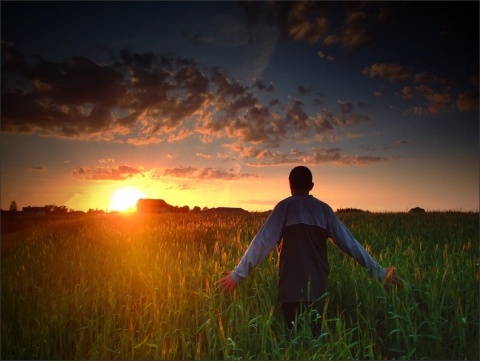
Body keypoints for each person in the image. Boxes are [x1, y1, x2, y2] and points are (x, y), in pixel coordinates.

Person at [215, 166, 404, 331]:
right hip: (317, 291)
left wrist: (237, 275)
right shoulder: (324, 210)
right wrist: (379, 272)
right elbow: (351, 244)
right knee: (315, 342)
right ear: (311, 186)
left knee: (292, 344)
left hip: (289, 291)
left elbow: (261, 243)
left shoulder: (284, 208)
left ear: (290, 185)